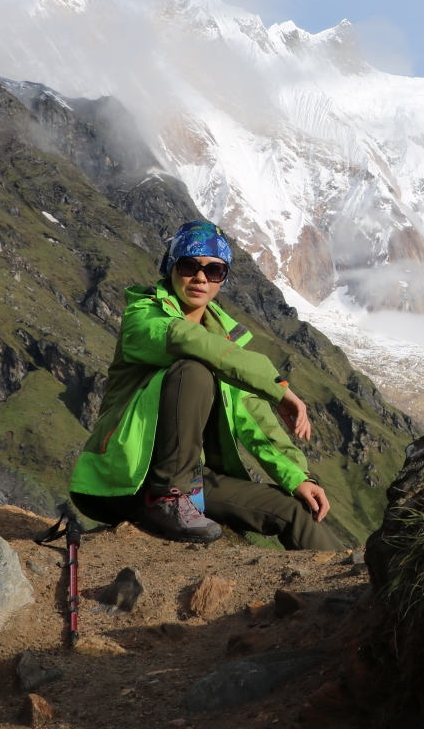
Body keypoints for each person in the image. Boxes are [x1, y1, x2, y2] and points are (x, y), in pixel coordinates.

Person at [68, 220, 343, 550]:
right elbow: (188, 341)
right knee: (194, 368)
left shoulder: (224, 343)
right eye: (189, 266)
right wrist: (279, 389)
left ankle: (357, 590)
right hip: (125, 480)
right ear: (171, 268)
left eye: (214, 271)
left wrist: (300, 477)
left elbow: (255, 420)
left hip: (192, 483)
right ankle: (166, 496)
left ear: (222, 280)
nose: (200, 278)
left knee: (295, 509)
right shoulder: (143, 317)